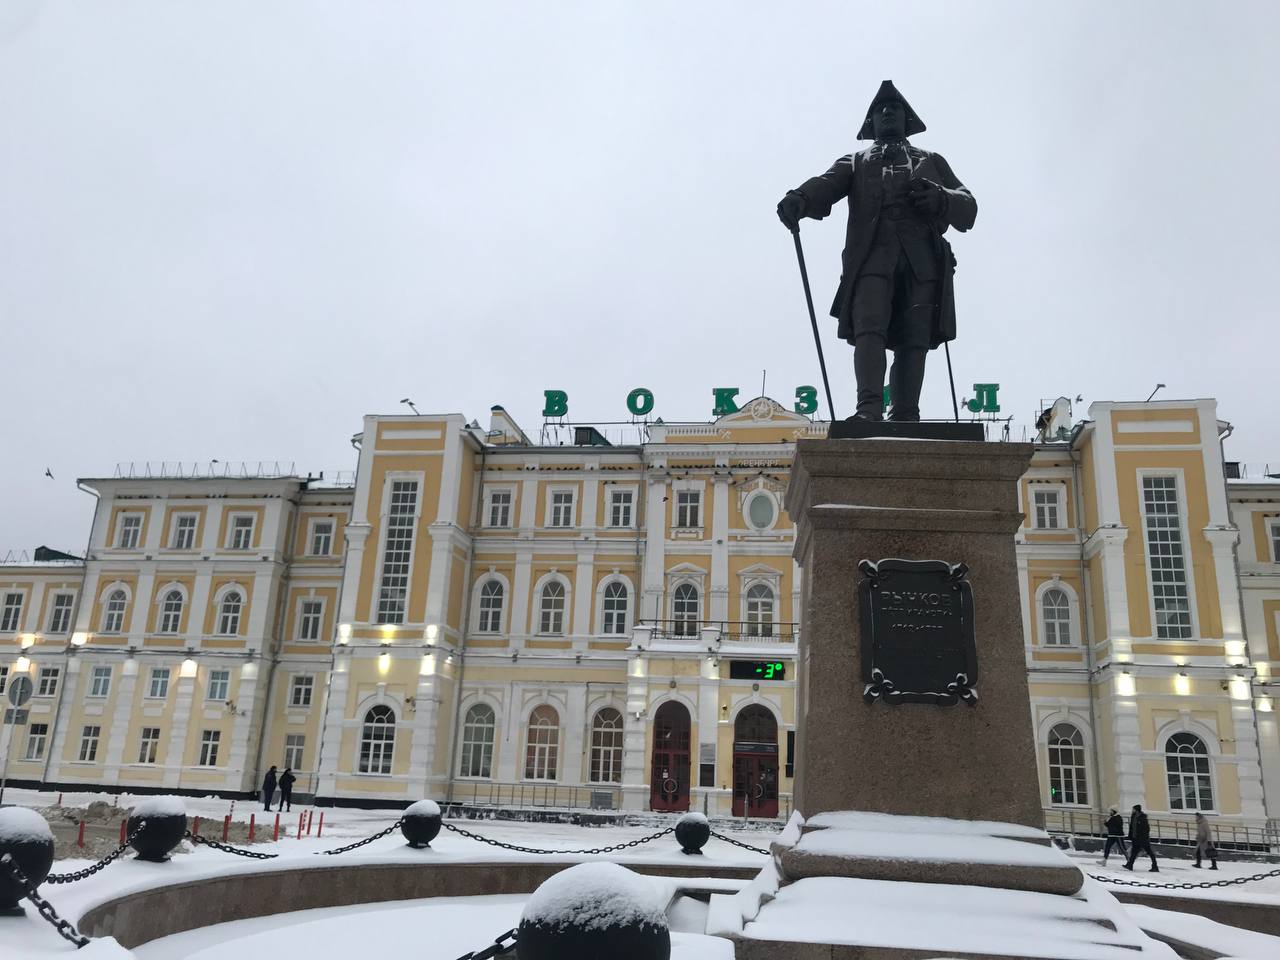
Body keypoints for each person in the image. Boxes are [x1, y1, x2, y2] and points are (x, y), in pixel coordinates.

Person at [777, 80, 976, 422]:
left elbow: (968, 207)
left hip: (922, 263)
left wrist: (942, 199)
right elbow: (826, 183)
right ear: (870, 124)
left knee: (914, 338)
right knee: (870, 328)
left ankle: (905, 414)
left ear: (906, 118)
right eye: (880, 110)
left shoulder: (932, 161)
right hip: (871, 259)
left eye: (894, 108)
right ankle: (868, 410)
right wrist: (801, 198)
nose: (887, 112)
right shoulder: (856, 161)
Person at [1124, 804, 1158, 872]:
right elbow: (1132, 828)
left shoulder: (1142, 818)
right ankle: (1130, 865)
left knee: (1149, 852)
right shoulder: (1133, 817)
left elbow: (1146, 828)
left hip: (1143, 839)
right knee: (1134, 852)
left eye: (1133, 809)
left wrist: (1142, 837)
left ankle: (1155, 866)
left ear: (1136, 810)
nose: (1132, 810)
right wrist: (1130, 836)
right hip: (1135, 838)